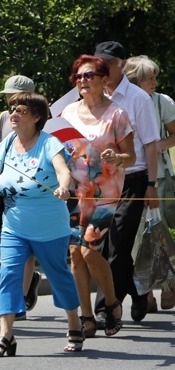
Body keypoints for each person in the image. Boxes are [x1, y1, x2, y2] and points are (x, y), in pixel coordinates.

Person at [0, 92, 83, 355]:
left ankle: (74, 324)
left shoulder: (49, 143)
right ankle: (6, 336)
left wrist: (64, 187)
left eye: (21, 109)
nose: (14, 114)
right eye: (12, 108)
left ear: (36, 117)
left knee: (58, 275)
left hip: (49, 227)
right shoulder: (8, 142)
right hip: (13, 226)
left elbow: (63, 171)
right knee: (8, 275)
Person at [61, 55, 135, 337]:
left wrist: (117, 157)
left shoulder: (117, 114)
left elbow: (131, 156)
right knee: (74, 256)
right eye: (79, 76)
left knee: (88, 251)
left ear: (105, 80)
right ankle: (88, 317)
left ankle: (113, 303)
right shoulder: (67, 112)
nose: (83, 80)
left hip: (106, 194)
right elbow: (59, 149)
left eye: (89, 75)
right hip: (75, 193)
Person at [93, 41, 160, 325]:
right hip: (101, 181)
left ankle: (106, 307)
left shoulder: (137, 99)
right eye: (98, 62)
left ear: (121, 63)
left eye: (108, 62)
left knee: (118, 245)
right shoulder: (90, 96)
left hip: (133, 178)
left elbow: (152, 144)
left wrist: (152, 184)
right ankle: (137, 290)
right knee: (103, 246)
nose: (102, 68)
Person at [123, 55, 175, 312]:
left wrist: (155, 147)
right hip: (130, 178)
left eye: (155, 76)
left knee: (159, 235)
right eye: (149, 77)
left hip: (160, 179)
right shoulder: (121, 101)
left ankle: (168, 286)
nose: (155, 81)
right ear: (135, 80)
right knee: (135, 239)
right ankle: (144, 293)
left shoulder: (162, 102)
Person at [0, 75, 41, 319]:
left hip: (28, 192)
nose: (10, 101)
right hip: (3, 187)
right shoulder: (3, 118)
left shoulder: (41, 120)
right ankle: (24, 285)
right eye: (9, 97)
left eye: (16, 97)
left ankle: (17, 299)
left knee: (25, 246)